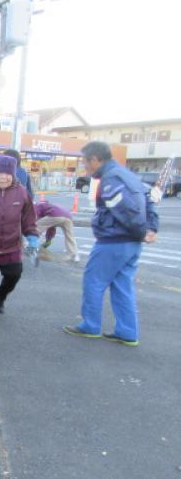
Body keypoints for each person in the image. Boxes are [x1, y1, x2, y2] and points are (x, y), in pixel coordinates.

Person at [63, 141, 159, 346]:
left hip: (114, 241)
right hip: (131, 243)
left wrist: (141, 231)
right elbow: (149, 201)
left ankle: (90, 326)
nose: (84, 167)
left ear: (96, 159)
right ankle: (127, 332)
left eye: (85, 162)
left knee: (94, 281)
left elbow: (124, 210)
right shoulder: (128, 175)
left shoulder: (110, 180)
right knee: (122, 285)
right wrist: (151, 228)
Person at [0, 154, 39, 323]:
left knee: (14, 275)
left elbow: (28, 218)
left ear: (13, 174)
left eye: (7, 173)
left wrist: (32, 236)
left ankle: (0, 297)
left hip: (11, 245)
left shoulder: (22, 192)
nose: (3, 177)